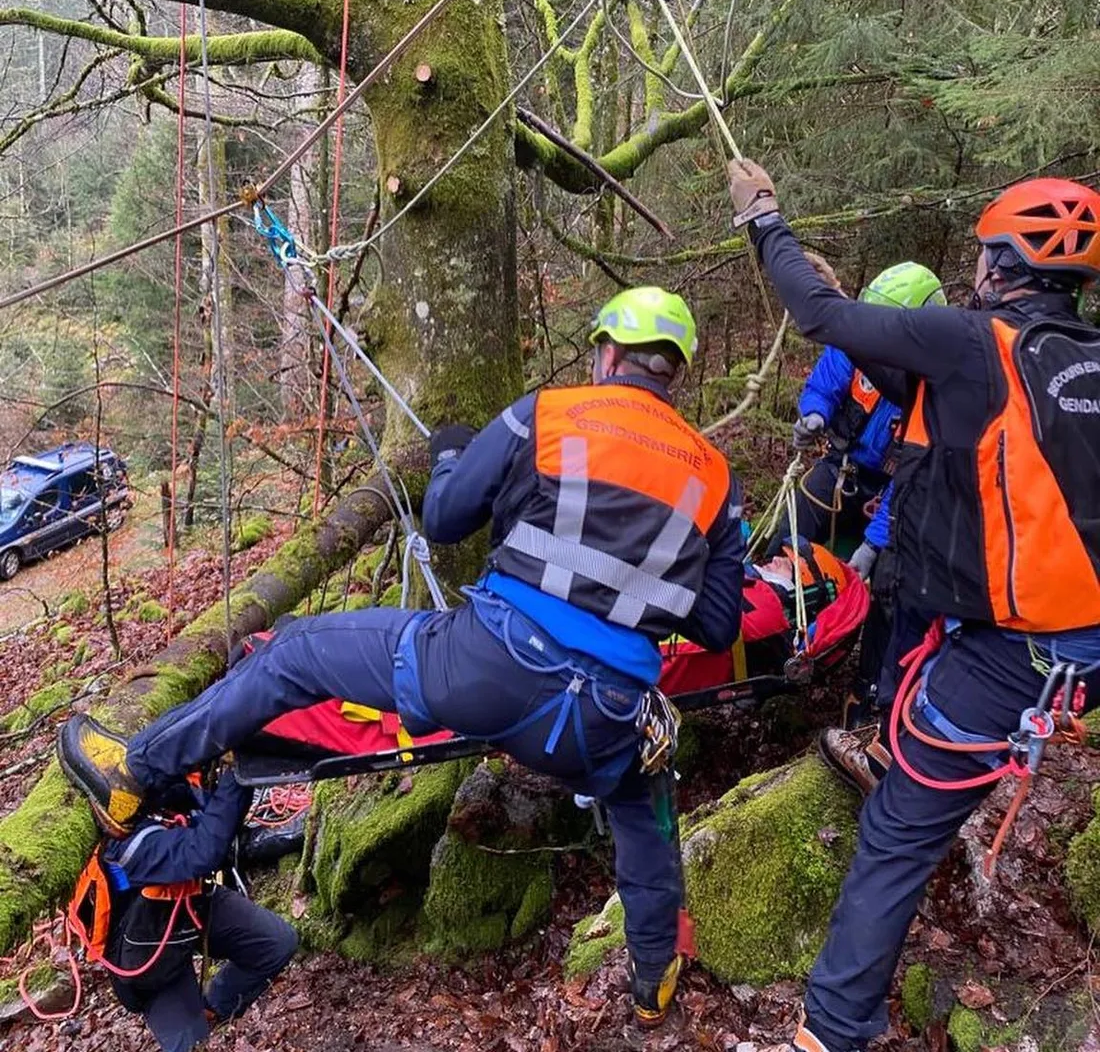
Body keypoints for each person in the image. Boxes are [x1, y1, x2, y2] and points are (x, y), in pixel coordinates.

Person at [59, 286, 746, 1029]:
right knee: (645, 813)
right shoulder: (714, 477)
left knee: (294, 652)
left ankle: (138, 771)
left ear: (608, 353)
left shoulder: (548, 413)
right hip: (608, 716)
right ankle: (653, 980)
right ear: (673, 370)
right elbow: (715, 623)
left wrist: (451, 451)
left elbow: (447, 518)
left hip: (488, 670)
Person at [727, 163, 1100, 1052]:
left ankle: (830, 1029)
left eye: (982, 257)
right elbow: (936, 403)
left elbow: (825, 322)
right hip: (1069, 649)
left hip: (1010, 657)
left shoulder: (974, 344)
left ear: (1002, 264)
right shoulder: (1074, 362)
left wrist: (765, 222)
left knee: (895, 830)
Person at [79, 770, 297, 1052]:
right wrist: (235, 775)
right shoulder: (121, 838)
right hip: (143, 943)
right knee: (189, 1045)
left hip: (191, 900)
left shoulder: (162, 788)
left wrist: (233, 777)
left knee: (276, 943)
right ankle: (190, 1021)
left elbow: (214, 820)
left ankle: (216, 1006)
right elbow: (201, 852)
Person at [779, 263, 946, 565]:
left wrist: (873, 543)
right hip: (842, 467)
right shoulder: (856, 346)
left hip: (893, 492)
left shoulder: (937, 387)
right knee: (791, 525)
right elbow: (824, 385)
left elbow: (914, 475)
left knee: (887, 570)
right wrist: (815, 415)